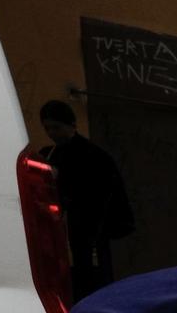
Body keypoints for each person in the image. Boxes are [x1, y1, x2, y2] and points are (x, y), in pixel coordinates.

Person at [38, 99, 133, 301]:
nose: (51, 133)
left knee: (91, 280)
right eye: (48, 128)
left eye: (56, 127)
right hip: (69, 231)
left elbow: (95, 197)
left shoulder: (92, 157)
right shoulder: (52, 154)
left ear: (71, 125)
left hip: (89, 232)